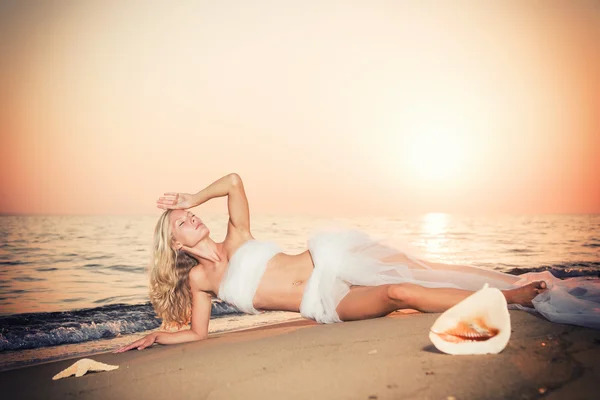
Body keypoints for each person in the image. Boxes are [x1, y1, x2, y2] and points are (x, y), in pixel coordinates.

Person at [115, 173, 599, 353]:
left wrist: (192, 192)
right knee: (399, 293)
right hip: (323, 300)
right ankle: (504, 297)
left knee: (421, 271)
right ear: (174, 243)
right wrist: (159, 334)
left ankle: (512, 294)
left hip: (330, 256)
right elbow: (198, 335)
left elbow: (235, 181)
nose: (192, 218)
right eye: (181, 221)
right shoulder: (201, 279)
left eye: (190, 213)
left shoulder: (236, 234)